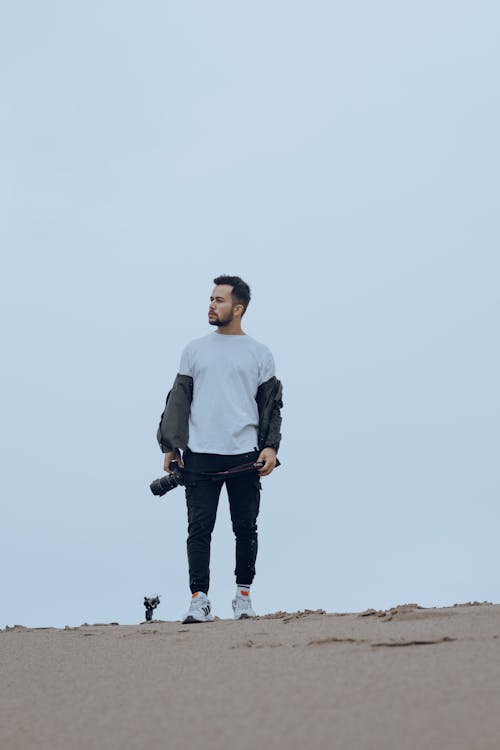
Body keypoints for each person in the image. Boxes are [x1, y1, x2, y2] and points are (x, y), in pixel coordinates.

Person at [157, 275, 283, 623]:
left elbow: (271, 406)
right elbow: (178, 400)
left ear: (238, 308)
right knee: (199, 530)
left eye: (220, 300)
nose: (211, 305)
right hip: (199, 455)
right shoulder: (194, 349)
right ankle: (199, 600)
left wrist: (271, 447)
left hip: (245, 455)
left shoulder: (260, 353)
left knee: (246, 528)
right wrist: (171, 447)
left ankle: (243, 597)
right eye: (211, 299)